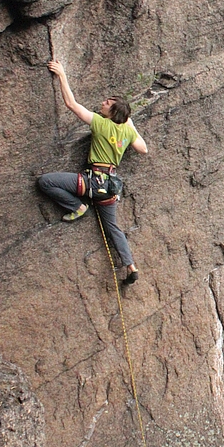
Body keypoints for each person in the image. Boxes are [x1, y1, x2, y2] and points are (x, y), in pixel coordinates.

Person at [39, 59, 148, 285]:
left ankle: (77, 206)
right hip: (109, 189)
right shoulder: (126, 131)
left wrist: (62, 75)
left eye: (108, 102)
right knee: (113, 228)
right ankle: (131, 266)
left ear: (112, 111)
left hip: (91, 182)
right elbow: (143, 148)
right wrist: (130, 123)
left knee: (46, 182)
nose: (103, 102)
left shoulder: (100, 123)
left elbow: (71, 104)